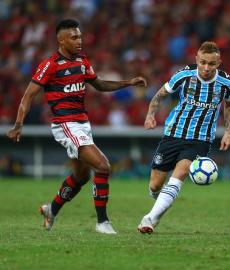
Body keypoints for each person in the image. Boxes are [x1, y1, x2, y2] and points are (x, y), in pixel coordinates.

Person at [7, 19, 147, 234]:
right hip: (65, 125)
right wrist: (18, 124)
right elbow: (27, 97)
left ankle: (51, 210)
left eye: (80, 36)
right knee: (103, 166)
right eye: (74, 37)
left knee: (81, 176)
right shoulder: (49, 65)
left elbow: (99, 84)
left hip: (82, 124)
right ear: (61, 40)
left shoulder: (82, 62)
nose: (79, 40)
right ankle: (102, 223)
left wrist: (127, 83)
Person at [137, 41, 230, 234]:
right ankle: (162, 199)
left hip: (200, 139)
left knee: (179, 175)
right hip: (173, 133)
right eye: (203, 62)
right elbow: (160, 94)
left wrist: (228, 132)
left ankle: (149, 219)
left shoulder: (227, 83)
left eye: (212, 64)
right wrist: (150, 115)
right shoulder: (183, 76)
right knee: (155, 184)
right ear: (197, 59)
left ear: (219, 63)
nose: (206, 68)